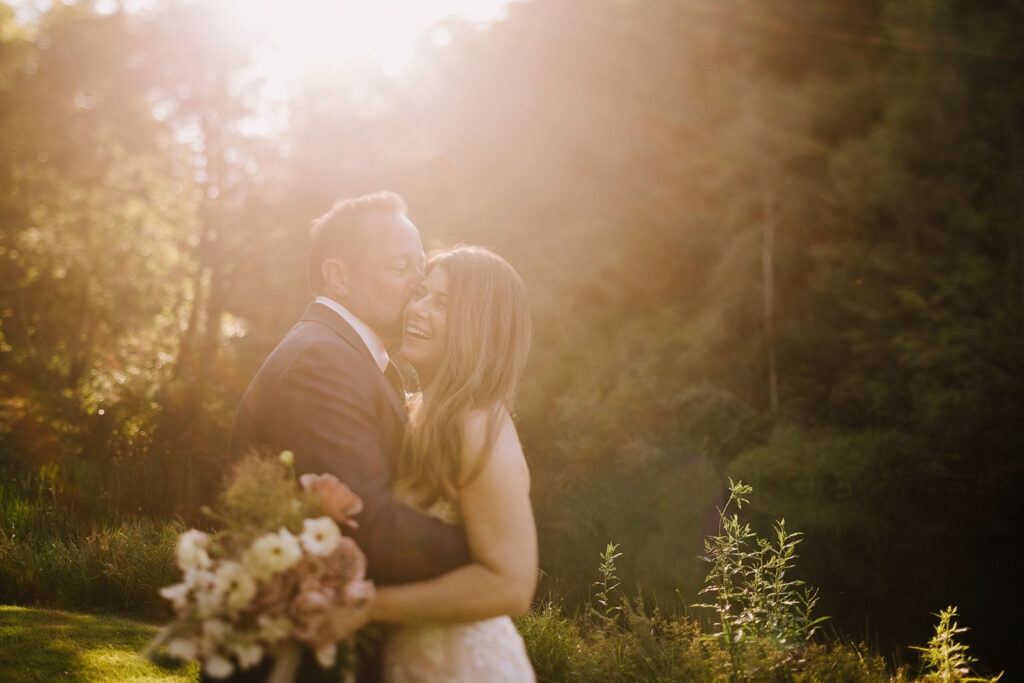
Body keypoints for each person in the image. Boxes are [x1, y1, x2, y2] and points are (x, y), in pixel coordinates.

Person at [225, 191, 472, 682]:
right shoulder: (324, 361)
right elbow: (369, 527)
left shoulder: (353, 359)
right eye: (400, 267)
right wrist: (483, 545)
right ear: (339, 276)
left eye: (420, 265)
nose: (418, 282)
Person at [372, 245, 538, 682]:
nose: (417, 309)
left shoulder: (481, 425)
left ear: (480, 328)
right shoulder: (412, 411)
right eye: (421, 294)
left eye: (442, 304)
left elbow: (512, 584)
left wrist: (369, 607)